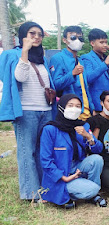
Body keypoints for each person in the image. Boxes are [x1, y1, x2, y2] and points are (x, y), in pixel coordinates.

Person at [0, 22, 57, 201]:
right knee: (27, 152)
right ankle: (30, 193)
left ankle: (43, 188)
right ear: (22, 35)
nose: (36, 37)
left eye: (39, 34)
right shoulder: (12, 54)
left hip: (46, 110)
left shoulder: (42, 58)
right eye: (32, 33)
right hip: (26, 111)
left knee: (43, 151)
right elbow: (19, 77)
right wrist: (24, 51)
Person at [40, 94, 106, 209]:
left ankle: (90, 194)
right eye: (70, 105)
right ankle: (69, 192)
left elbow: (98, 149)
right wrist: (63, 177)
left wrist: (88, 137)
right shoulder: (50, 129)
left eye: (78, 106)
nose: (74, 109)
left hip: (77, 167)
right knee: (93, 188)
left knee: (96, 159)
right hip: (61, 173)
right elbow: (45, 160)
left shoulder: (83, 126)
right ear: (61, 107)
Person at [50, 25, 94, 120]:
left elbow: (85, 88)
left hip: (86, 112)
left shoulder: (80, 60)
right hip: (70, 112)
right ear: (64, 40)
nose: (77, 40)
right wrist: (72, 74)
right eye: (73, 37)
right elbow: (55, 85)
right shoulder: (58, 58)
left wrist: (92, 107)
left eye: (80, 38)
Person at [81, 28, 109, 114]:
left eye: (106, 42)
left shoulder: (107, 58)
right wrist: (105, 64)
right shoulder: (86, 58)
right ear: (92, 43)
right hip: (96, 104)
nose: (105, 45)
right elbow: (88, 78)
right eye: (101, 42)